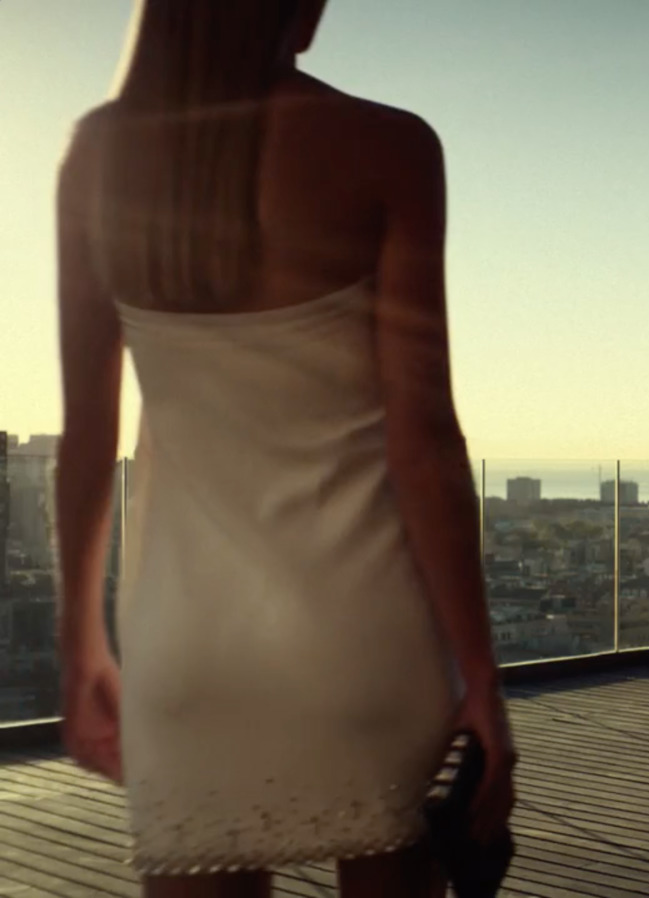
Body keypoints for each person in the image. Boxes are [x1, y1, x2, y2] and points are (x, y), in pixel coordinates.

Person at [52, 2, 515, 895]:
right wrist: (482, 675)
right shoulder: (390, 146)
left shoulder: (99, 155)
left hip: (189, 646)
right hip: (366, 634)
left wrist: (81, 650)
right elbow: (426, 443)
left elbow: (85, 442)